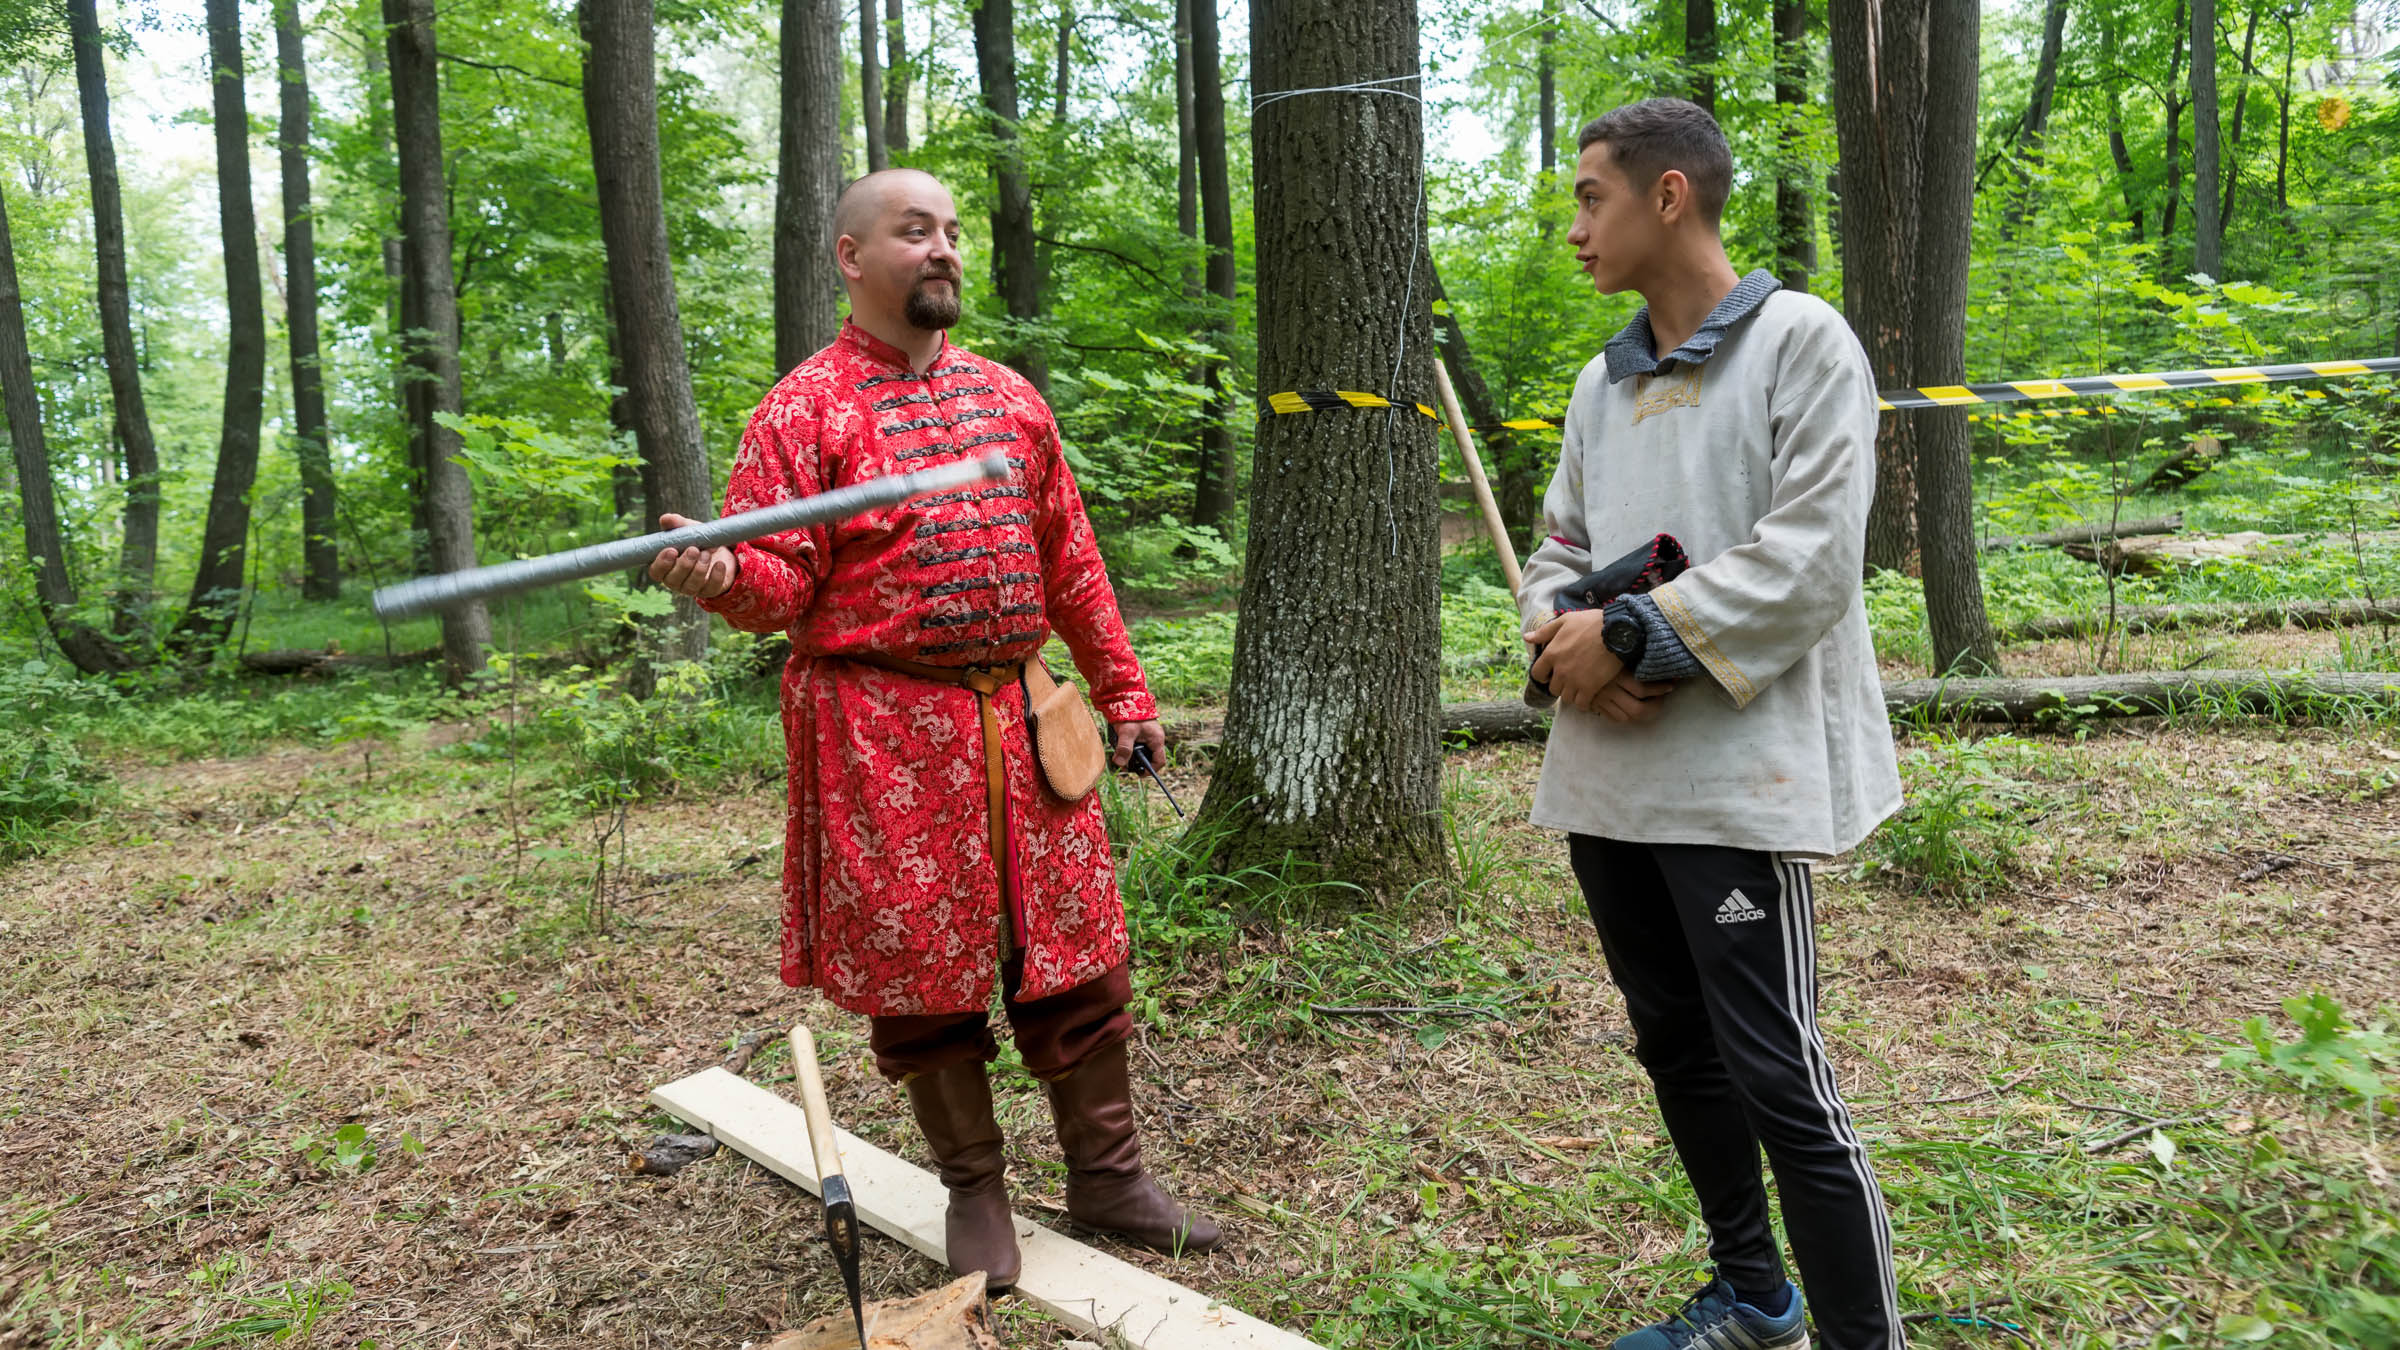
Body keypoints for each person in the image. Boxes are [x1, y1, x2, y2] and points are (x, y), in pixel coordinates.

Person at [647, 167, 1219, 1293]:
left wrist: (1127, 689)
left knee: (1076, 958)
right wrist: (720, 574)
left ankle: (1110, 1178)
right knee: (926, 979)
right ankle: (975, 1191)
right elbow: (777, 583)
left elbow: (1072, 558)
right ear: (853, 258)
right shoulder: (802, 411)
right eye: (916, 232)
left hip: (1024, 712)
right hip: (883, 735)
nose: (945, 249)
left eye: (953, 232)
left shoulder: (1010, 400)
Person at [1519, 99, 1909, 1350]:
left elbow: (1811, 559)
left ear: (1670, 195)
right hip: (1612, 785)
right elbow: (1559, 546)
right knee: (1674, 1046)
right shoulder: (1600, 379)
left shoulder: (1802, 343)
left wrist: (1631, 636)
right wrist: (1557, 632)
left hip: (1741, 781)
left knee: (1776, 1073)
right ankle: (1757, 1296)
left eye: (1592, 197)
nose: (1576, 226)